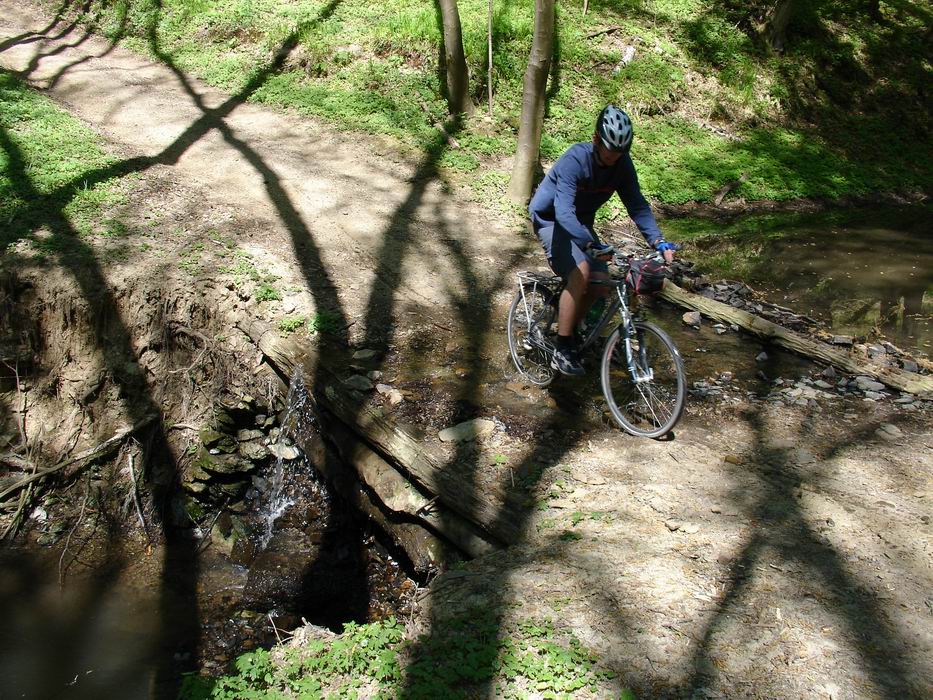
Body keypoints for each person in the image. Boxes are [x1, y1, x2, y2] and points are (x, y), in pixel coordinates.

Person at [528, 104, 677, 376]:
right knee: (581, 272)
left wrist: (658, 241)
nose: (614, 157)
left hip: (580, 221)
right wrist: (588, 245)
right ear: (597, 139)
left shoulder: (622, 164)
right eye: (611, 149)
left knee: (601, 284)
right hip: (551, 218)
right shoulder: (576, 159)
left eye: (621, 152)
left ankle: (570, 325)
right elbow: (563, 212)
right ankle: (562, 348)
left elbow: (637, 205)